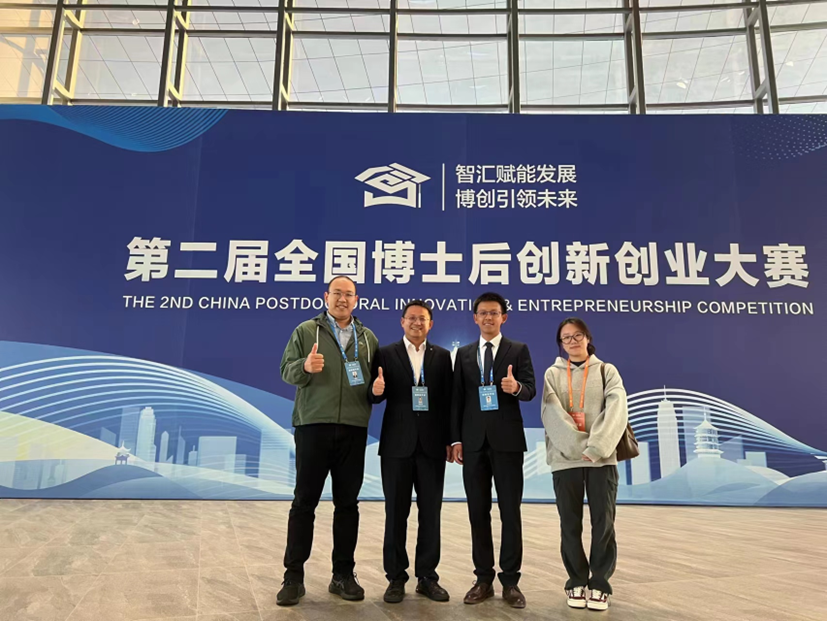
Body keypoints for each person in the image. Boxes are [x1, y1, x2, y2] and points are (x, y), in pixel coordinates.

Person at [276, 276, 379, 607]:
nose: (342, 299)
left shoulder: (368, 338)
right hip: (313, 426)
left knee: (347, 505)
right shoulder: (306, 331)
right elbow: (286, 370)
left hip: (353, 428)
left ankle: (343, 575)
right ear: (326, 296)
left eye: (349, 294)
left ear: (356, 300)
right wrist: (304, 366)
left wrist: (378, 391)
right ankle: (293, 577)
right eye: (337, 293)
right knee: (304, 502)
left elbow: (374, 384)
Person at [450, 292, 536, 609]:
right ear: (475, 318)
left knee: (510, 512)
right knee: (478, 512)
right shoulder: (464, 354)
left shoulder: (518, 349)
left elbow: (531, 389)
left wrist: (517, 388)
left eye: (494, 313)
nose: (489, 317)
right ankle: (483, 579)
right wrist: (456, 440)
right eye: (483, 313)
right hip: (473, 444)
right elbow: (457, 399)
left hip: (507, 442)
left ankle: (510, 581)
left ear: (504, 317)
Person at [369, 300, 454, 604]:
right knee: (396, 513)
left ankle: (427, 577)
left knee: (430, 513)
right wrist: (375, 392)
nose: (417, 323)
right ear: (402, 321)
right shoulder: (385, 353)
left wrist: (451, 439)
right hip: (397, 445)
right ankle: (395, 578)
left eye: (423, 319)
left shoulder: (442, 357)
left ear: (431, 324)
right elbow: (373, 393)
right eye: (412, 318)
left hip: (432, 445)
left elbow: (449, 401)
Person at [540, 317, 628, 612]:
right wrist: (579, 449)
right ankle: (576, 581)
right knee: (570, 524)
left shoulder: (607, 371)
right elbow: (551, 414)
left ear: (588, 338)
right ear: (561, 343)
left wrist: (597, 448)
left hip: (602, 460)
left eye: (577, 335)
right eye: (566, 337)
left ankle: (600, 584)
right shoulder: (553, 374)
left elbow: (616, 409)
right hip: (565, 461)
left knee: (603, 523)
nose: (572, 341)